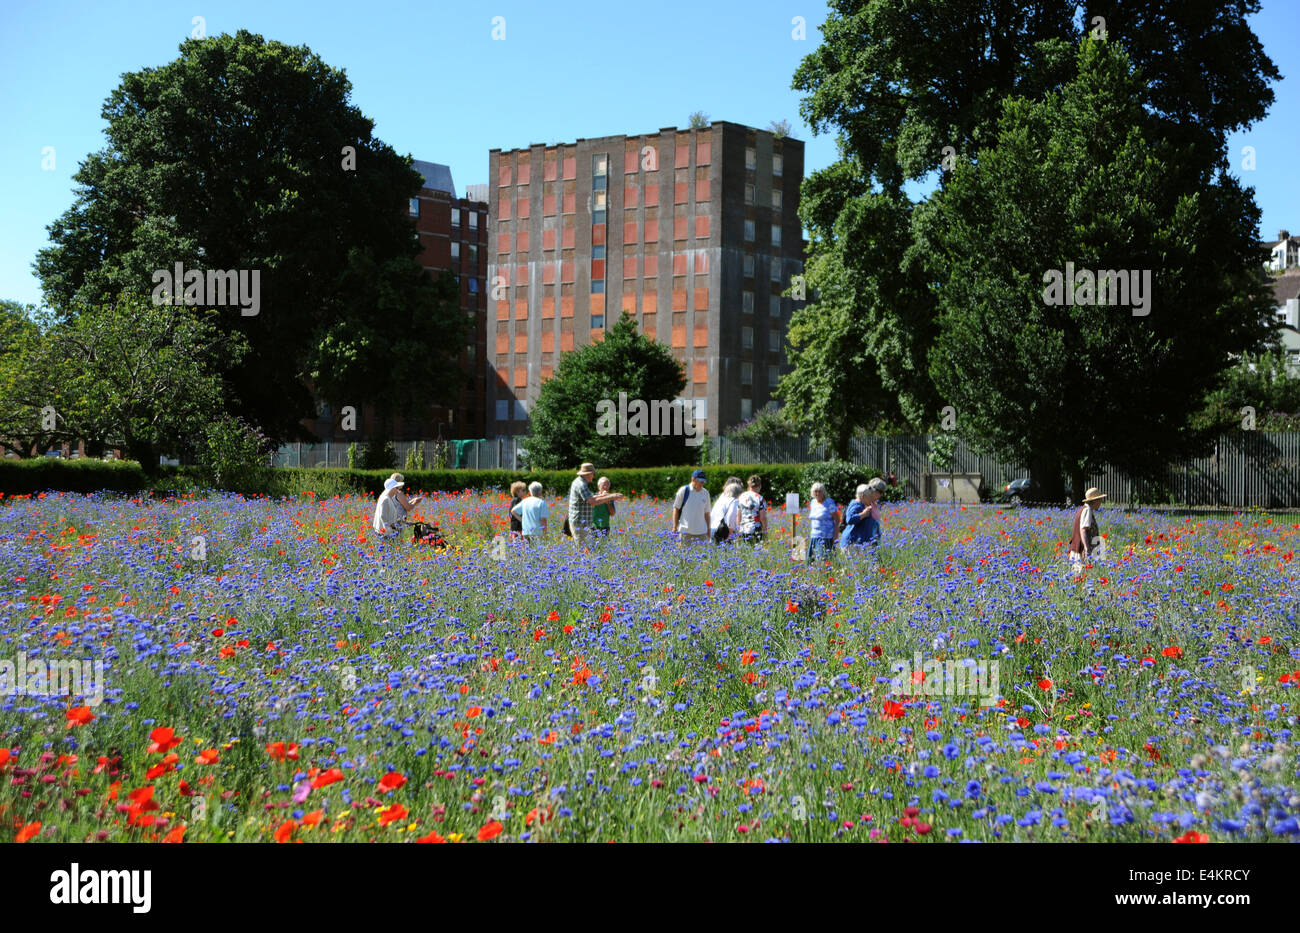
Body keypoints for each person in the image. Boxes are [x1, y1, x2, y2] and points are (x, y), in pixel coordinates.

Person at [568, 462, 624, 550]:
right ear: (589, 474)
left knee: (586, 549)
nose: (593, 476)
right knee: (583, 550)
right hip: (579, 523)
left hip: (582, 522)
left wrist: (605, 496)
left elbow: (590, 497)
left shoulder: (580, 482)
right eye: (593, 474)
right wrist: (612, 496)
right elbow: (592, 501)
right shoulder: (581, 485)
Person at [372, 473, 423, 541]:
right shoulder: (385, 499)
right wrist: (392, 526)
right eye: (396, 488)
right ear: (392, 488)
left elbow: (391, 515)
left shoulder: (386, 497)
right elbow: (383, 516)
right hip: (386, 533)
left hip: (388, 531)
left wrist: (405, 522)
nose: (397, 490)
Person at [841, 478, 886, 550]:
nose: (881, 495)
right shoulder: (857, 504)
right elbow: (849, 519)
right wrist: (863, 514)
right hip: (854, 542)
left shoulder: (870, 503)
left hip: (866, 541)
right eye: (880, 492)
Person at [1068, 487, 1107, 569]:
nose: (1101, 503)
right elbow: (1083, 530)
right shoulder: (1087, 510)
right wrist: (1087, 548)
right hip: (1081, 550)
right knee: (1081, 574)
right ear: (1095, 501)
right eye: (1100, 500)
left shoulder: (1082, 509)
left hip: (1078, 548)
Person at [671, 469, 712, 543]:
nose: (702, 483)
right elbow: (676, 508)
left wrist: (709, 529)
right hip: (685, 532)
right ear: (693, 479)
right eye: (700, 481)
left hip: (702, 533)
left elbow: (707, 513)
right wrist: (674, 527)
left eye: (703, 481)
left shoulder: (705, 493)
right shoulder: (684, 491)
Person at [807, 481, 840, 563]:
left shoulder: (829, 502)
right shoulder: (813, 502)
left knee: (823, 561)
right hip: (814, 536)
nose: (817, 493)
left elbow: (837, 519)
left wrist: (836, 534)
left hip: (826, 536)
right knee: (812, 561)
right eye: (815, 491)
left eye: (819, 491)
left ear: (823, 492)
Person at [736, 474, 768, 543]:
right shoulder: (760, 498)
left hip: (743, 530)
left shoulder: (741, 497)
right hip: (756, 531)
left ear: (749, 486)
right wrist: (765, 533)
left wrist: (738, 531)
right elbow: (763, 518)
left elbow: (738, 516)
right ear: (760, 486)